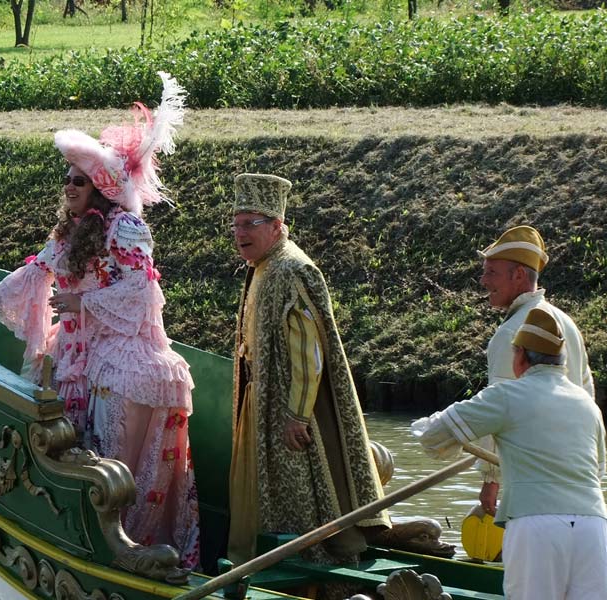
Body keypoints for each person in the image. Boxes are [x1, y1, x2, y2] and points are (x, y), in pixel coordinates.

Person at [0, 72, 200, 568]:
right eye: (68, 179)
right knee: (79, 440)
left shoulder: (125, 226)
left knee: (113, 436)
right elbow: (33, 272)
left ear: (100, 187)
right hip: (78, 351)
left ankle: (133, 548)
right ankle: (87, 536)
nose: (69, 186)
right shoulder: (70, 231)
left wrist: (85, 304)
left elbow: (144, 289)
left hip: (122, 348)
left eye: (79, 179)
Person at [226, 173, 389, 567]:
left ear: (277, 226)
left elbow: (309, 350)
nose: (240, 233)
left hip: (290, 411)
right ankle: (254, 561)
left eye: (251, 224)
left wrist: (297, 413)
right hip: (258, 401)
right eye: (236, 224)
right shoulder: (264, 265)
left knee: (301, 488)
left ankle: (315, 567)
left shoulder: (292, 269)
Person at [412, 307, 607, 600]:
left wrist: (423, 426)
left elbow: (435, 435)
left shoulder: (507, 395)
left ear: (521, 357)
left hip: (537, 527)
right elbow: (599, 468)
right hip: (594, 528)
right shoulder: (587, 404)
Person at [475, 225, 596, 516]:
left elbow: (499, 405)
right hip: (577, 483)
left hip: (533, 483)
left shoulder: (512, 335)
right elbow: (587, 395)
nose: (483, 280)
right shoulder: (564, 321)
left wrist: (491, 478)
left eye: (492, 272)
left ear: (518, 275)